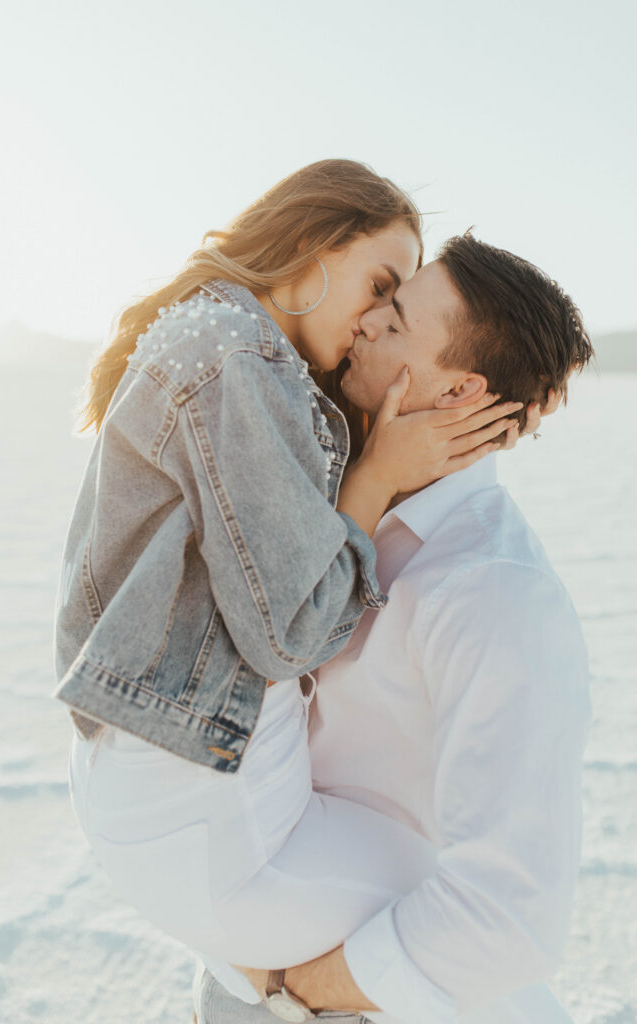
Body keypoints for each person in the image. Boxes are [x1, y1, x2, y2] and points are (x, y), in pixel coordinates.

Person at [56, 161, 538, 1011]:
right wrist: (376, 477)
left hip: (159, 777)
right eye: (378, 286)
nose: (373, 321)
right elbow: (290, 633)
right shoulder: (234, 356)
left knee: (450, 933)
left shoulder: (236, 348)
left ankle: (263, 986)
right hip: (197, 800)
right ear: (315, 247)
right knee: (462, 937)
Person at [194, 235, 594, 1024]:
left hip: (351, 999)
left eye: (397, 318)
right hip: (236, 973)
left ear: (460, 390)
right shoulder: (325, 490)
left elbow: (508, 913)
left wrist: (294, 990)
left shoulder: (493, 591)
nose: (367, 320)